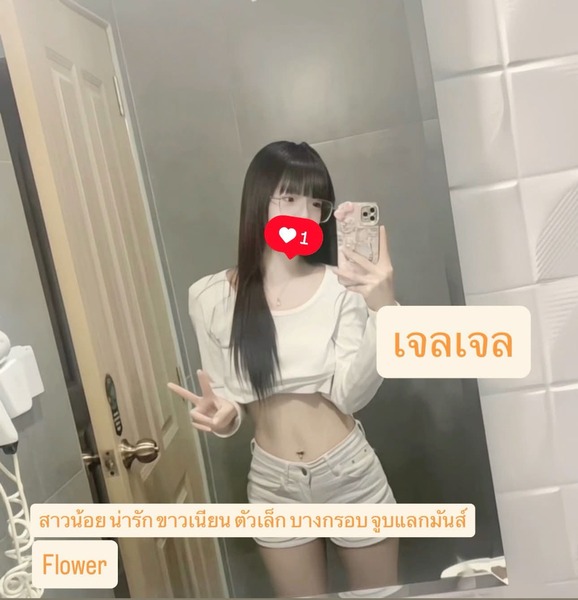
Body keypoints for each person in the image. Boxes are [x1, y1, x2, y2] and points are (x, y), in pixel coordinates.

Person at [168, 141, 399, 598]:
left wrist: (384, 311)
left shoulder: (342, 287)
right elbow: (227, 398)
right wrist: (224, 417)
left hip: (349, 472)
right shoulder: (209, 297)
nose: (305, 214)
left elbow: (350, 395)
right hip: (274, 485)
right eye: (289, 198)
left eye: (316, 203)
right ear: (258, 201)